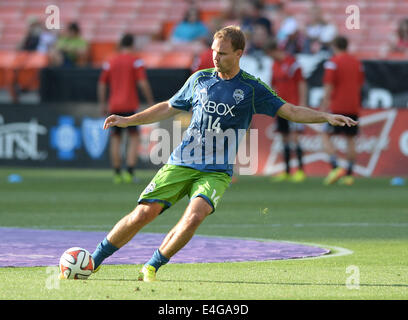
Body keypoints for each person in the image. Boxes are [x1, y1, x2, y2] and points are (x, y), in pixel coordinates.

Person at [84, 26, 357, 282]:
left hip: (216, 170)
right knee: (143, 213)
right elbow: (169, 106)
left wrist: (325, 117)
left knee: (195, 215)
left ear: (239, 54)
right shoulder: (199, 79)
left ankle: (153, 265)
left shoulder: (252, 88)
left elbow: (291, 111)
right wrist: (129, 120)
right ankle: (92, 261)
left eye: (222, 53)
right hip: (181, 162)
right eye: (214, 50)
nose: (215, 57)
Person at [98, 33, 155, 184]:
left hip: (114, 105)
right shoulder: (135, 61)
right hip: (129, 105)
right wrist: (150, 101)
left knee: (116, 139)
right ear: (132, 44)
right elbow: (142, 83)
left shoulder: (111, 61)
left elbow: (102, 83)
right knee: (134, 138)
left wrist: (103, 103)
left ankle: (117, 174)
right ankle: (129, 172)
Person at [321, 35, 364, 186]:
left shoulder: (333, 63)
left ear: (334, 46)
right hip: (353, 106)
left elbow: (329, 85)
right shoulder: (357, 62)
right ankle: (349, 175)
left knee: (325, 134)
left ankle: (335, 167)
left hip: (337, 107)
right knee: (350, 139)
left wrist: (324, 106)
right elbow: (359, 84)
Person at [265, 39, 307, 183]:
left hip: (294, 107)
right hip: (281, 108)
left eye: (269, 54)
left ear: (274, 51)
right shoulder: (274, 65)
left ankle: (301, 171)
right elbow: (274, 86)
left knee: (295, 138)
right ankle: (287, 171)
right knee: (284, 138)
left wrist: (302, 103)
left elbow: (301, 83)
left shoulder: (293, 63)